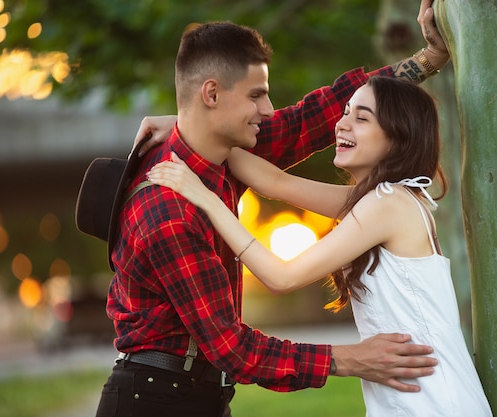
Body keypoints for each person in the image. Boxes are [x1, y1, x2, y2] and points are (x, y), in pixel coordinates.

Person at [96, 3, 451, 417]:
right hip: (155, 401)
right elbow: (234, 348)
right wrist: (351, 359)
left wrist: (430, 58)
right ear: (211, 94)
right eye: (256, 95)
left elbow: (315, 116)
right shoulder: (170, 207)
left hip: (198, 395)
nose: (268, 109)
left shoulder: (225, 153)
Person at [148, 75, 492, 416]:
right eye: (345, 112)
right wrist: (189, 130)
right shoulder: (382, 201)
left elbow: (281, 277)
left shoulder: (389, 204)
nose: (342, 125)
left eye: (361, 118)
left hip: (433, 399)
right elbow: (274, 181)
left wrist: (206, 200)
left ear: (398, 137)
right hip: (416, 394)